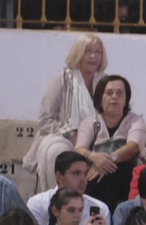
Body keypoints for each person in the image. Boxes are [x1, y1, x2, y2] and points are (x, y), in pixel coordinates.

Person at [24, 37, 108, 192]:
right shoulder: (61, 79)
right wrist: (72, 133)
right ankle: (58, 201)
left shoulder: (105, 82)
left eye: (98, 52)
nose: (93, 56)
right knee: (57, 152)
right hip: (62, 136)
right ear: (78, 53)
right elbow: (45, 120)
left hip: (96, 137)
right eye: (88, 51)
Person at [75, 75, 146, 210]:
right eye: (109, 93)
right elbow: (79, 148)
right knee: (96, 178)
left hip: (127, 174)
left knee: (110, 173)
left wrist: (108, 160)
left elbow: (133, 146)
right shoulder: (90, 122)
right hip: (97, 174)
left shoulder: (135, 121)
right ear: (100, 99)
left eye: (119, 93)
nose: (114, 97)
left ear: (126, 100)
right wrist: (94, 157)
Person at [28, 153, 113, 225]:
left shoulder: (101, 208)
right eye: (76, 173)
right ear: (59, 176)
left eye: (85, 173)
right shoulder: (38, 204)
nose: (83, 179)